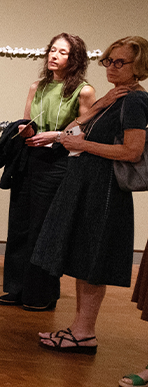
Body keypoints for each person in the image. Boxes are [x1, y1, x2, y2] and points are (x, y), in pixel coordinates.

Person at [33, 36, 148, 355]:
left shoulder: (136, 101)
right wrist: (99, 105)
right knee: (84, 258)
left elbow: (132, 151)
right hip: (88, 187)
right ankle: (80, 329)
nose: (111, 67)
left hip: (106, 192)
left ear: (137, 67)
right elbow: (71, 130)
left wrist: (84, 146)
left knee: (94, 261)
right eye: (109, 60)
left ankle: (84, 332)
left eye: (119, 62)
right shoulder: (115, 98)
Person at [0, 34, 95, 311]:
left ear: (74, 58)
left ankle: (42, 293)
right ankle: (17, 288)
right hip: (29, 159)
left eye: (62, 52)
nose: (54, 55)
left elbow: (85, 128)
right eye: (52, 50)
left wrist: (55, 135)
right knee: (20, 225)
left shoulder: (84, 90)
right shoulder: (37, 86)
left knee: (45, 228)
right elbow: (27, 119)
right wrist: (24, 130)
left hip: (58, 162)